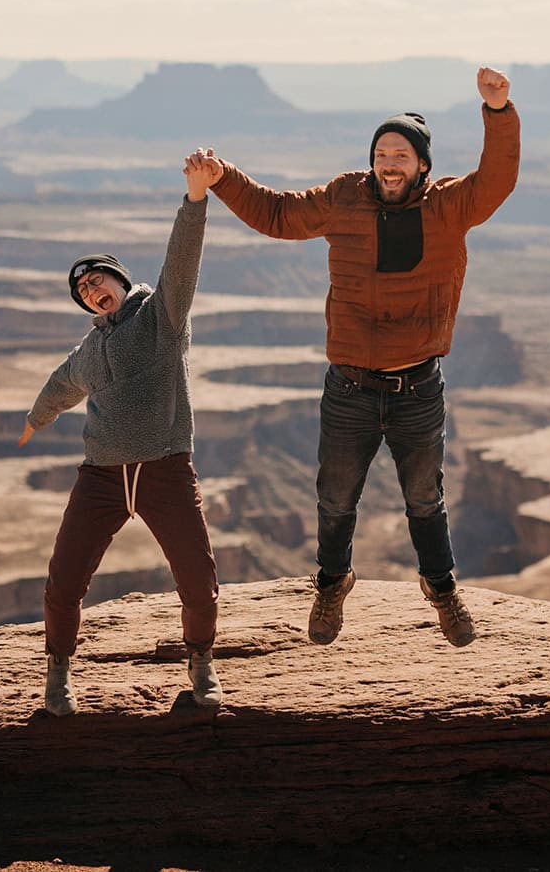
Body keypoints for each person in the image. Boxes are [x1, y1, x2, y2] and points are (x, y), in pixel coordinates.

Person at [189, 67, 518, 647]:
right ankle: (332, 585)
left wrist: (496, 111)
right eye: (381, 153)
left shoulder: (449, 207)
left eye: (401, 155)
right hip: (349, 388)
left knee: (425, 499)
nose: (389, 163)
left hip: (418, 387)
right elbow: (277, 213)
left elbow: (497, 179)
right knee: (335, 498)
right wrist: (223, 178)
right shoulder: (345, 198)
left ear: (421, 165)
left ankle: (442, 592)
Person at [18, 149, 225, 715]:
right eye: (82, 290)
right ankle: (58, 671)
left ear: (119, 279)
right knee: (63, 581)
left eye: (97, 279)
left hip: (164, 469)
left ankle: (202, 664)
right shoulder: (89, 349)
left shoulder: (162, 318)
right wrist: (36, 421)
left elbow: (181, 262)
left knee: (198, 581)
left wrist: (195, 199)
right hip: (101, 478)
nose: (91, 290)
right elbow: (60, 385)